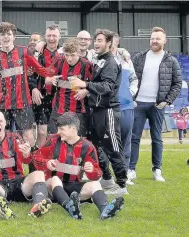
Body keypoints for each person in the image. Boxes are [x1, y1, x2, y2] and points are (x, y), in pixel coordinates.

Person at [33, 112, 125, 220]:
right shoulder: (54, 140)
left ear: (72, 128)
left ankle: (105, 210)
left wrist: (91, 170)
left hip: (74, 188)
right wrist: (47, 163)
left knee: (95, 184)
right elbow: (35, 157)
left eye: (62, 129)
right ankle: (70, 207)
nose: (58, 132)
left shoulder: (87, 146)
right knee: (55, 178)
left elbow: (96, 175)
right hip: (52, 188)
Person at [69, 29, 128, 195]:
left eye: (100, 40)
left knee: (112, 147)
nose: (96, 43)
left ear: (109, 43)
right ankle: (107, 179)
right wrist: (88, 89)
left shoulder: (110, 62)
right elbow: (98, 85)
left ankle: (122, 185)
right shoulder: (100, 60)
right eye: (96, 40)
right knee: (95, 146)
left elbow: (108, 87)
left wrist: (85, 84)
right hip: (96, 110)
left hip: (107, 110)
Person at [0, 110, 53, 219]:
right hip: (0, 187)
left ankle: (37, 206)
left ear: (5, 123)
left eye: (0, 121)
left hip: (18, 184)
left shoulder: (15, 138)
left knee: (39, 174)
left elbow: (26, 161)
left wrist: (26, 154)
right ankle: (1, 206)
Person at [0, 22, 56, 145]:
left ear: (14, 37)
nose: (5, 37)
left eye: (8, 34)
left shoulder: (23, 52)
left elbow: (40, 69)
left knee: (29, 137)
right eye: (2, 34)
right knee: (1, 137)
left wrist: (54, 72)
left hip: (22, 102)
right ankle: (6, 163)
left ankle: (31, 163)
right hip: (2, 104)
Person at [130, 27, 182, 182]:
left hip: (157, 105)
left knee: (157, 138)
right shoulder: (139, 57)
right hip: (138, 103)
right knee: (134, 138)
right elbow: (129, 78)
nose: (154, 41)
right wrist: (131, 97)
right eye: (152, 38)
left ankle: (157, 170)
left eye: (158, 39)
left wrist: (167, 101)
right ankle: (131, 169)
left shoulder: (171, 60)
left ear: (164, 41)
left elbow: (177, 83)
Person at [45, 38, 93, 136]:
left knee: (77, 143)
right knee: (54, 140)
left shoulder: (87, 65)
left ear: (79, 53)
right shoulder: (58, 60)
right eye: (67, 55)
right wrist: (51, 80)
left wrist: (86, 91)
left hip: (78, 111)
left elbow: (96, 85)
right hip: (58, 109)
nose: (69, 58)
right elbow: (46, 79)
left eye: (72, 55)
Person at [111, 33, 138, 185]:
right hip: (108, 107)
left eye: (114, 40)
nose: (111, 43)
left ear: (118, 41)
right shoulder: (99, 57)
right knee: (108, 142)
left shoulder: (126, 59)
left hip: (126, 106)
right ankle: (107, 174)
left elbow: (134, 79)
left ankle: (124, 173)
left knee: (126, 140)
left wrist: (131, 93)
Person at [30, 25, 62, 147]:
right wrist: (34, 88)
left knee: (59, 132)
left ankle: (56, 159)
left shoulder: (64, 53)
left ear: (59, 37)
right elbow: (30, 74)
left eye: (54, 35)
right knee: (42, 132)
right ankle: (40, 159)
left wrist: (54, 82)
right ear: (45, 37)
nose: (51, 38)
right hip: (41, 97)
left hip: (60, 98)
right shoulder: (38, 53)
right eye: (49, 35)